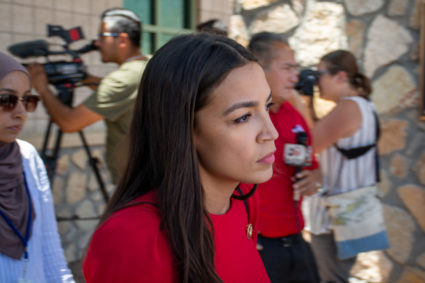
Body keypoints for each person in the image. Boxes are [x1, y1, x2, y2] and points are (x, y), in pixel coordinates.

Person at [83, 33, 278, 282]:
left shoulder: (244, 199)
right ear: (184, 128)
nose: (271, 132)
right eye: (243, 117)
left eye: (268, 107)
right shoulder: (133, 236)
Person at [27, 7, 148, 184]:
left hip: (134, 184)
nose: (97, 43)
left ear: (122, 40)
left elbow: (69, 123)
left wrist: (42, 88)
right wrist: (85, 78)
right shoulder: (148, 66)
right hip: (150, 176)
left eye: (102, 36)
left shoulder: (122, 79)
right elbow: (122, 95)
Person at [248, 32, 321, 283]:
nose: (295, 76)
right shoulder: (241, 119)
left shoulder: (296, 116)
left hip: (296, 238)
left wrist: (313, 179)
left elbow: (313, 166)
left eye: (296, 68)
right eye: (287, 68)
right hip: (257, 244)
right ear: (260, 69)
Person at [303, 50, 380, 282]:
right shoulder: (367, 105)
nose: (317, 82)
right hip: (355, 211)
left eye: (320, 74)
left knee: (332, 278)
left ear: (340, 77)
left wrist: (303, 101)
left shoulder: (349, 107)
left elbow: (310, 143)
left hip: (335, 218)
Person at [0, 51, 74, 282]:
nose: (21, 113)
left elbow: (50, 251)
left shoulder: (27, 157)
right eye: (6, 100)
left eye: (27, 100)